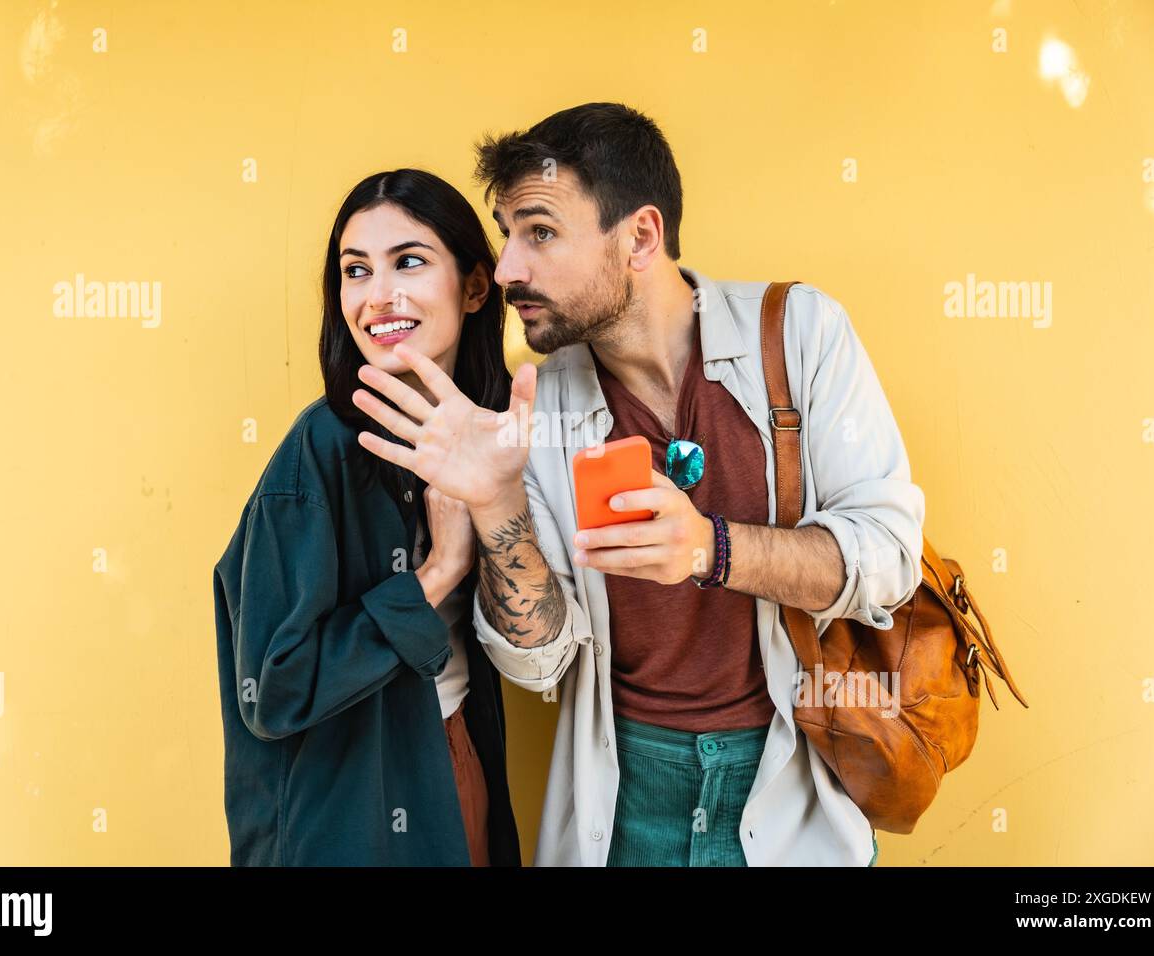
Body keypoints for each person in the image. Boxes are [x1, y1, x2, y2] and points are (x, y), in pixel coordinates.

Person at [353, 103, 924, 866]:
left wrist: (710, 549)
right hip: (622, 802)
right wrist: (496, 506)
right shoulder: (539, 404)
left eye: (540, 231)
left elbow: (888, 559)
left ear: (640, 237)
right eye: (505, 233)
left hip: (793, 791)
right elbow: (538, 661)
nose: (509, 267)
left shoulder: (800, 334)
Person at [212, 168, 521, 866]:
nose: (378, 295)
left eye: (408, 262)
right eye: (357, 270)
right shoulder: (318, 454)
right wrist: (437, 573)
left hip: (453, 763)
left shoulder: (489, 434)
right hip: (354, 813)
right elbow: (275, 687)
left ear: (476, 286)